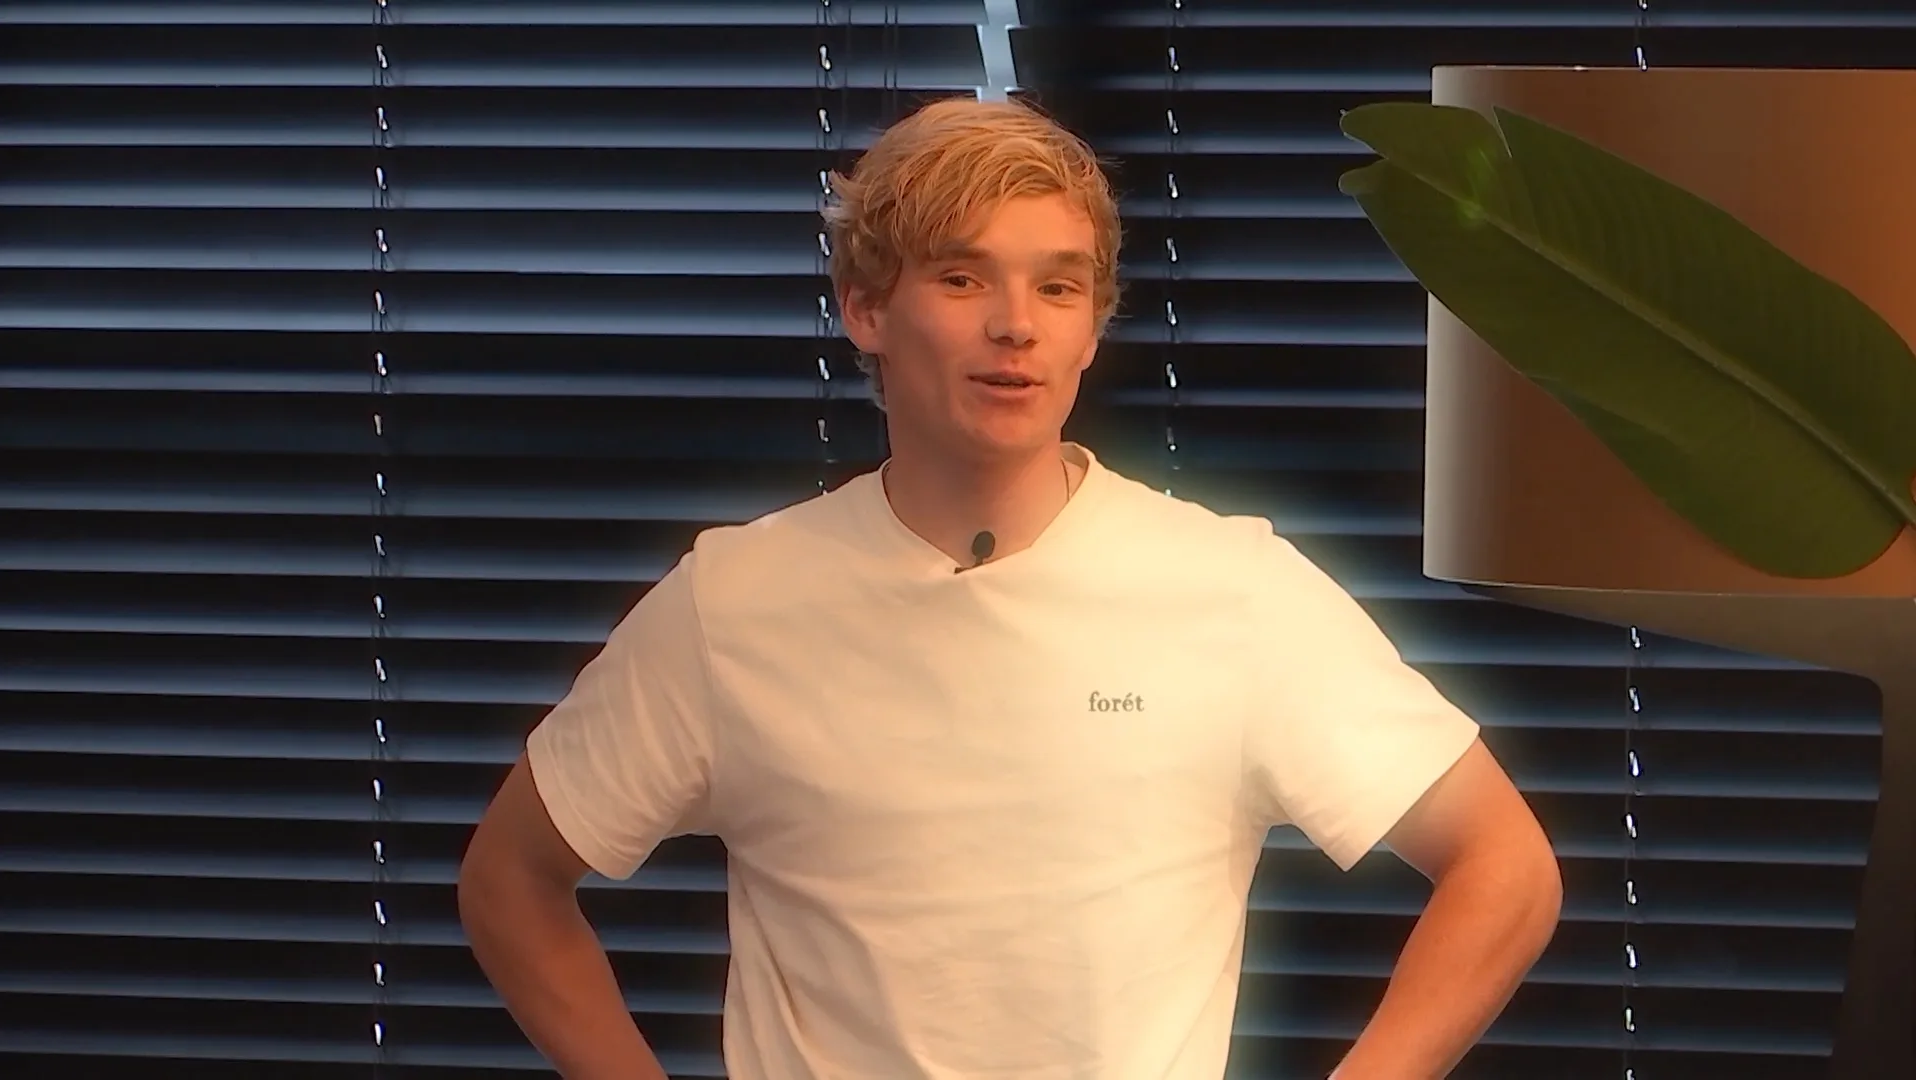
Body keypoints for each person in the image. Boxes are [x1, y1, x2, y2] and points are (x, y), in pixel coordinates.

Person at [457, 95, 1562, 1080]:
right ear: (866, 309)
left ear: (1091, 329)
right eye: (962, 277)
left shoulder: (1234, 592)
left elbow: (1504, 865)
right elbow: (510, 880)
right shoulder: (736, 600)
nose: (1015, 324)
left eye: (1058, 286)